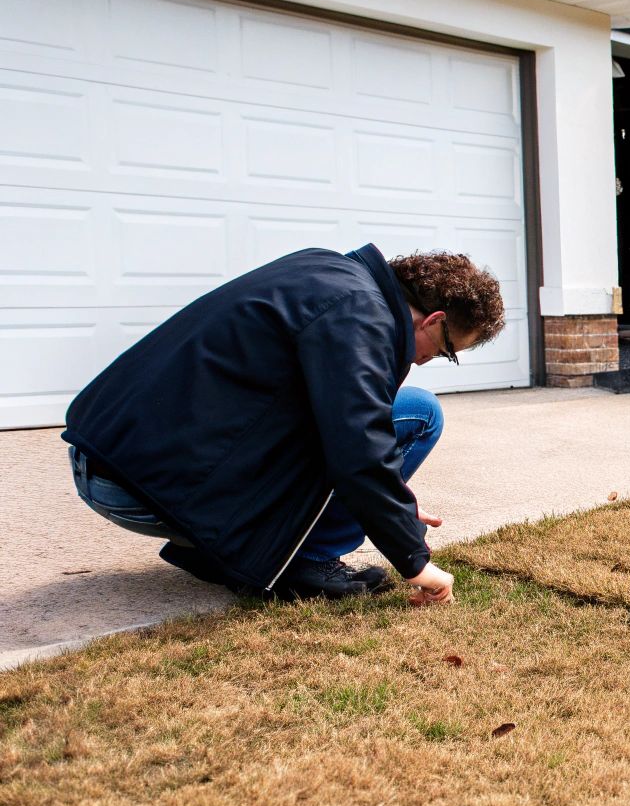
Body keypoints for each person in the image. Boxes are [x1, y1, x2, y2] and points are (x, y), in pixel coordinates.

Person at [61, 244, 505, 602]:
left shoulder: (329, 270)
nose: (430, 360)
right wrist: (414, 560)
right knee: (418, 414)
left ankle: (244, 546)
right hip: (139, 486)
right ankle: (307, 560)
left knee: (383, 415)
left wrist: (395, 502)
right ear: (435, 319)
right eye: (446, 349)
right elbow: (360, 445)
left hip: (110, 458)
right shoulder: (360, 315)